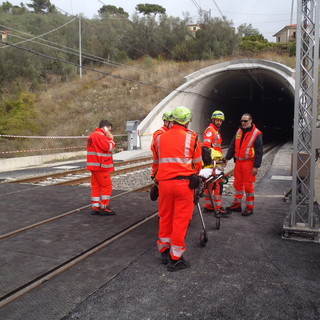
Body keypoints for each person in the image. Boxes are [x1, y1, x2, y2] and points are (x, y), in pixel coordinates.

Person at [151, 106, 202, 272]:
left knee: (165, 217)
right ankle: (176, 258)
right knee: (180, 220)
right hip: (183, 185)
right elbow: (198, 164)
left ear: (172, 120)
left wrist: (156, 179)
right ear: (187, 121)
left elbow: (156, 162)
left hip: (164, 184)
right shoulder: (192, 137)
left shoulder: (160, 138)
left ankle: (164, 252)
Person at [225, 113, 263, 216]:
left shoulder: (256, 134)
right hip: (239, 163)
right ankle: (237, 205)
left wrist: (256, 166)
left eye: (245, 121)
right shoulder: (239, 131)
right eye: (242, 121)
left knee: (248, 186)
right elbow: (233, 146)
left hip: (248, 163)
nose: (243, 123)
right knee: (237, 184)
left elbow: (259, 151)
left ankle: (250, 207)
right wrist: (227, 158)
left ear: (251, 121)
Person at [86, 120, 116, 216]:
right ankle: (105, 207)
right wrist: (111, 139)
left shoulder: (92, 135)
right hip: (101, 166)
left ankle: (96, 207)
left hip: (93, 166)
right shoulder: (100, 135)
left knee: (96, 186)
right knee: (107, 186)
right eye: (109, 130)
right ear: (105, 127)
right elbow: (108, 147)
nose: (109, 132)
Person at [202, 110, 228, 214]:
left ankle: (208, 206)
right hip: (213, 163)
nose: (219, 122)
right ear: (213, 119)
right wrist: (215, 161)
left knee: (211, 184)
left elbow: (217, 148)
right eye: (217, 120)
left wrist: (222, 159)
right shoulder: (210, 131)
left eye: (221, 121)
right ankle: (218, 207)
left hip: (216, 163)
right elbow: (206, 148)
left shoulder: (216, 131)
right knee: (217, 185)